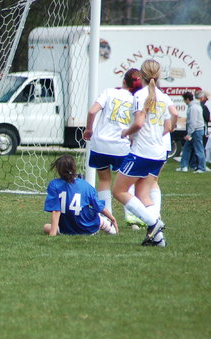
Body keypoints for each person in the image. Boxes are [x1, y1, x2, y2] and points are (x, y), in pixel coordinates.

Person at [112, 59, 171, 247]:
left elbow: (138, 123)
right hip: (158, 153)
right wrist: (155, 136)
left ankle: (154, 223)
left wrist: (126, 132)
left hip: (141, 152)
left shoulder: (140, 95)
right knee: (142, 193)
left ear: (142, 75)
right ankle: (158, 239)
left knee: (118, 191)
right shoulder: (164, 97)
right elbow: (170, 125)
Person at [83, 68, 142, 217]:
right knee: (127, 182)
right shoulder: (136, 99)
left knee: (104, 180)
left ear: (123, 81)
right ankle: (132, 217)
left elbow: (92, 111)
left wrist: (89, 129)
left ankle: (107, 217)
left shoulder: (109, 92)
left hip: (100, 144)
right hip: (121, 145)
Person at [43, 154, 118, 236]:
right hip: (88, 228)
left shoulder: (54, 184)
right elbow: (98, 206)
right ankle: (105, 224)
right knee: (93, 213)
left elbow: (56, 211)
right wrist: (112, 219)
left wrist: (52, 234)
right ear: (74, 168)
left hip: (67, 229)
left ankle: (103, 224)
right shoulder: (85, 185)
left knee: (46, 227)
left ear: (58, 170)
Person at [176, 91, 210, 173]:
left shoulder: (193, 108)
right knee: (187, 148)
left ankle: (202, 167)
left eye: (184, 100)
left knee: (199, 149)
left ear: (187, 99)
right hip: (196, 130)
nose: (185, 102)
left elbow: (193, 122)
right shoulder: (196, 106)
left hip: (196, 131)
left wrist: (189, 134)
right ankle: (184, 166)